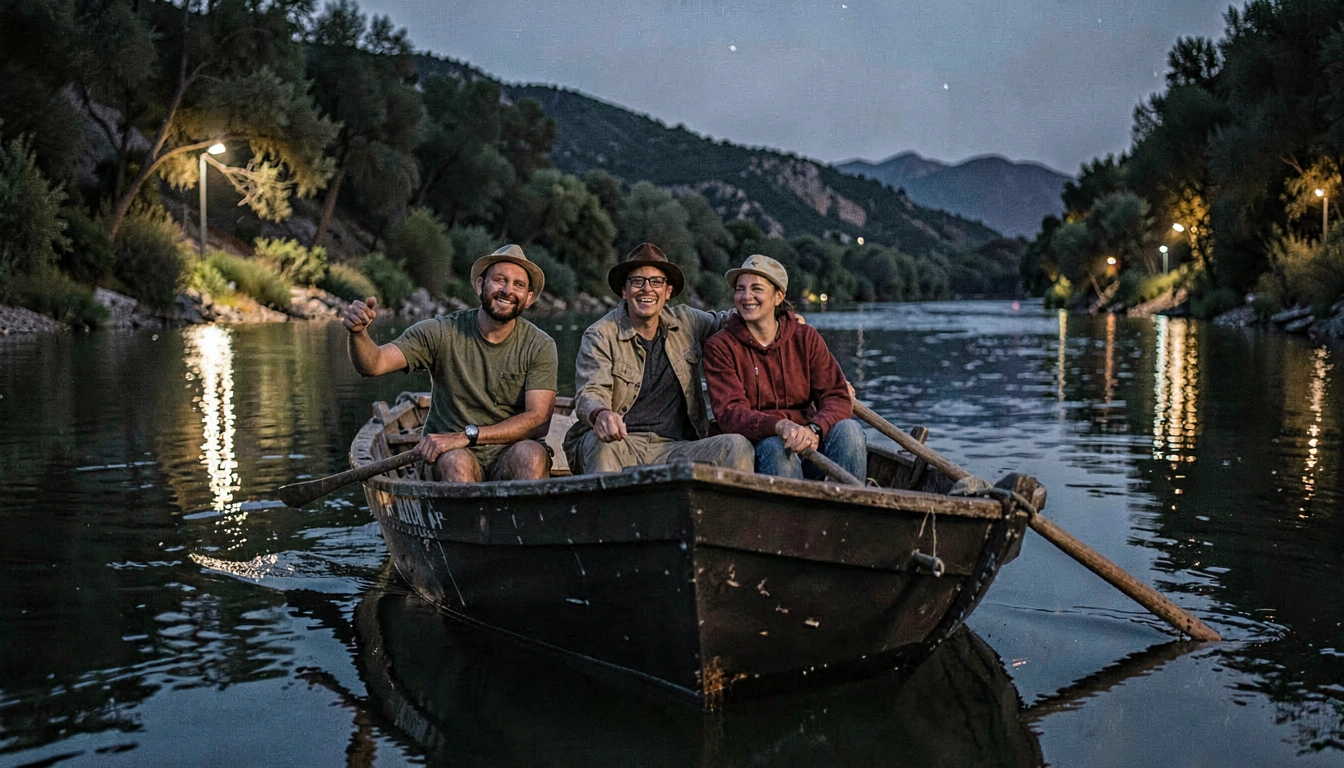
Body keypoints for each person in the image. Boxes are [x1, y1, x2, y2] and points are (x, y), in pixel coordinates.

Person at [342, 244, 558, 482]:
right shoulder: (441, 332)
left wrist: (468, 435)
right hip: (449, 455)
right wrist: (358, 333)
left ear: (527, 299)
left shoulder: (540, 345)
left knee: (532, 455)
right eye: (499, 280)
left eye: (518, 285)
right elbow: (373, 364)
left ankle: (523, 518)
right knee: (457, 461)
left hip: (508, 451)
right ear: (479, 285)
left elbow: (538, 421)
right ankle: (468, 519)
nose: (507, 290)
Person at [563, 243, 753, 474]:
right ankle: (609, 510)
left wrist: (780, 318)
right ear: (624, 290)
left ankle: (727, 511)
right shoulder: (600, 334)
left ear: (668, 291)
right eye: (637, 281)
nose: (647, 289)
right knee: (602, 446)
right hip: (621, 444)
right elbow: (590, 393)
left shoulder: (687, 321)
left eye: (656, 282)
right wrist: (601, 415)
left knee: (736, 445)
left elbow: (729, 321)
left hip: (676, 447)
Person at [703, 254, 867, 481]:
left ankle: (850, 510)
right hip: (758, 453)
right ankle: (787, 515)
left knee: (850, 431)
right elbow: (732, 413)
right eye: (740, 289)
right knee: (777, 447)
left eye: (756, 289)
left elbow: (836, 397)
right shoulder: (720, 347)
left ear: (778, 296)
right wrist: (780, 426)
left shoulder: (806, 337)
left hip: (809, 444)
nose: (746, 296)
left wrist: (815, 429)